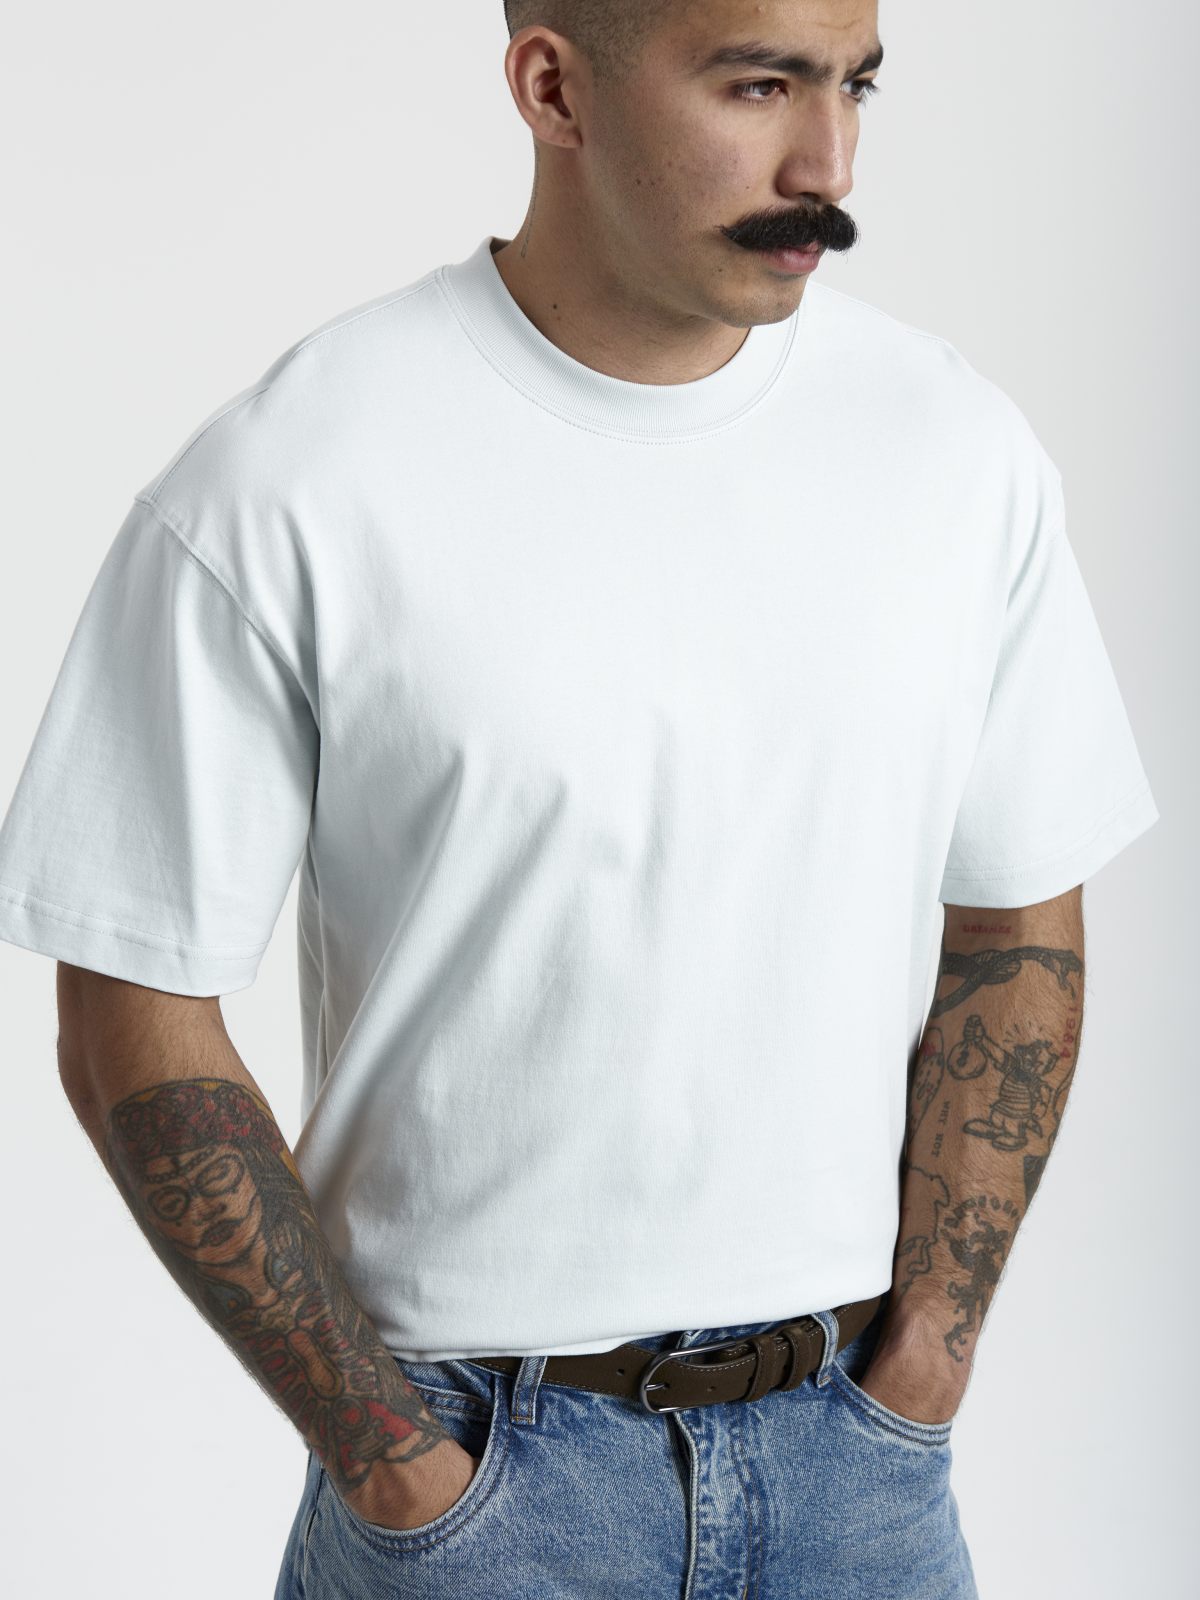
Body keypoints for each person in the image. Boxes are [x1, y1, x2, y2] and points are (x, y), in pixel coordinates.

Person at [0, 0, 1160, 1595]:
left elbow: (1019, 916)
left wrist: (929, 1361)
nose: (826, 163)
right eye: (759, 85)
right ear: (554, 88)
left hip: (860, 1475)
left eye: (855, 85)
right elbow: (131, 998)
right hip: (478, 1489)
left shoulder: (954, 452)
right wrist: (394, 1461)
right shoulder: (295, 475)